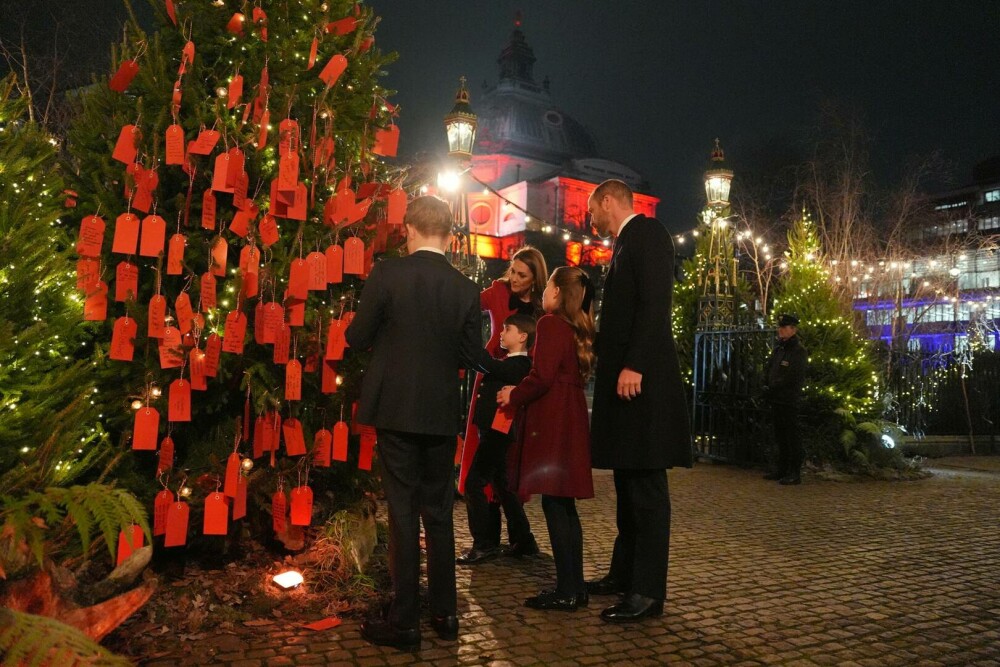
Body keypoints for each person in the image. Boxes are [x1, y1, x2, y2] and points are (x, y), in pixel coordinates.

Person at [345, 195, 482, 651]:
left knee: (402, 512)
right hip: (440, 412)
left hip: (396, 408)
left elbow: (359, 337)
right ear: (447, 233)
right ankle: (444, 613)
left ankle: (404, 622)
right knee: (439, 512)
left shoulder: (388, 274)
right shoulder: (466, 287)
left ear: (408, 229)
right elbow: (468, 354)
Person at [586, 179, 692, 624]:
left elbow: (655, 304)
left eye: (592, 210)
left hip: (641, 385)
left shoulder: (647, 234)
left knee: (646, 488)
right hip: (628, 384)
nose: (589, 220)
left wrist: (635, 364)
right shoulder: (626, 242)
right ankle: (624, 573)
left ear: (608, 202)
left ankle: (647, 592)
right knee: (629, 485)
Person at [497, 266, 595, 612]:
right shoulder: (574, 327)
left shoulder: (550, 324)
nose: (543, 291)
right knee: (563, 505)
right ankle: (575, 585)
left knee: (555, 503)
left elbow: (541, 377)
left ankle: (567, 589)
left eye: (548, 285)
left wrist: (513, 393)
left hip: (553, 420)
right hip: (569, 418)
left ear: (556, 292)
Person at [458, 247, 546, 558]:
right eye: (512, 270)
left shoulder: (540, 310)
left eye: (522, 275)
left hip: (522, 384)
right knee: (492, 464)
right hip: (492, 380)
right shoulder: (498, 291)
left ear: (535, 279)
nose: (514, 278)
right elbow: (467, 303)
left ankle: (509, 539)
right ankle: (498, 539)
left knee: (506, 466)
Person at [458, 313, 537, 565]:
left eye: (507, 329)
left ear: (522, 337)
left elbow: (489, 364)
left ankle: (483, 544)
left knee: (473, 484)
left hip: (497, 432)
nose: (501, 334)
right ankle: (524, 539)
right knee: (503, 484)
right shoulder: (509, 362)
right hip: (492, 430)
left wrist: (469, 339)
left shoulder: (520, 365)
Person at [762, 313, 808, 485]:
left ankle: (794, 472)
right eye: (779, 327)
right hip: (776, 399)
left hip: (789, 399)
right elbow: (770, 368)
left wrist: (774, 385)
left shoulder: (798, 351)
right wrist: (766, 383)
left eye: (784, 327)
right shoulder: (779, 348)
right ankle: (781, 469)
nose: (780, 330)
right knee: (780, 435)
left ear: (793, 329)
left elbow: (793, 376)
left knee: (791, 436)